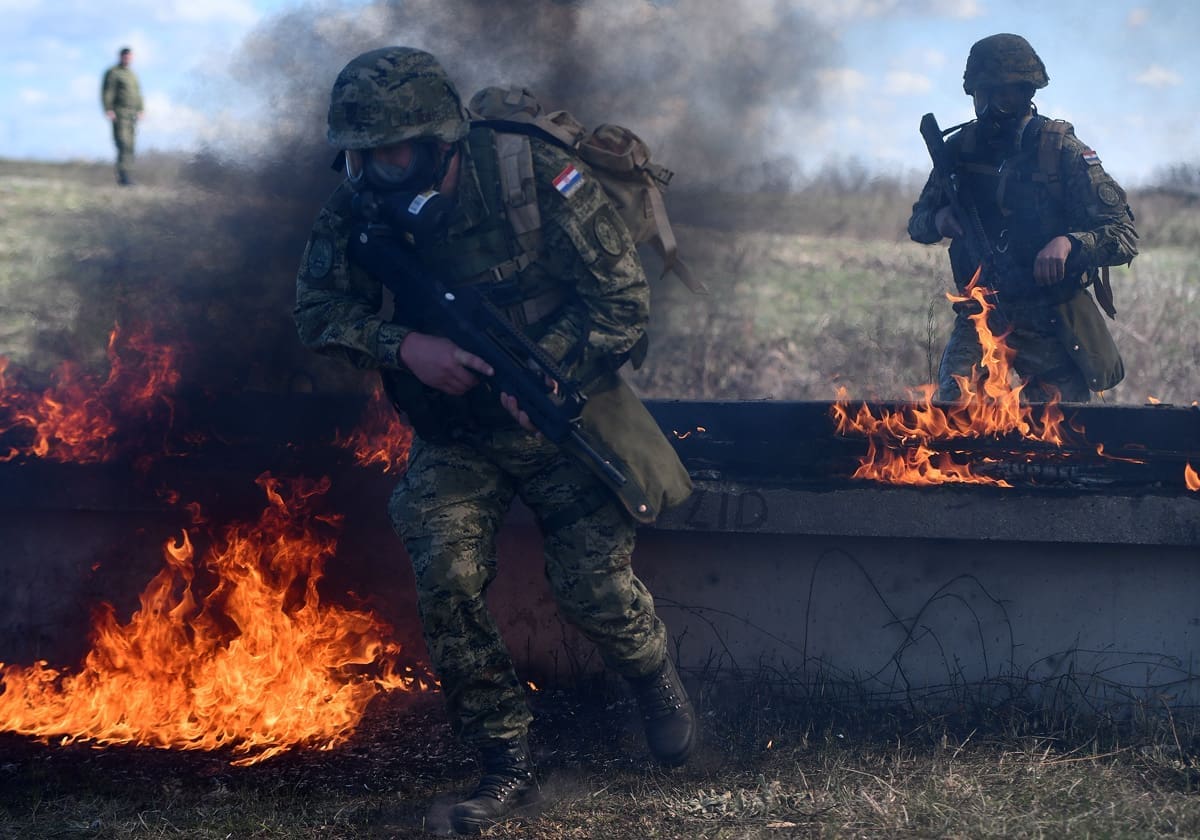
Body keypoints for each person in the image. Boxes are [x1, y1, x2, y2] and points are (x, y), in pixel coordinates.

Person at [294, 47, 695, 834]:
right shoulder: (360, 203)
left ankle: (656, 682)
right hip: (455, 433)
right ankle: (503, 760)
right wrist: (405, 347)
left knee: (594, 590)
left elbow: (622, 301)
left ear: (442, 141)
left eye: (395, 152)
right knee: (445, 573)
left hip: (562, 414)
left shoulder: (531, 176)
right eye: (361, 154)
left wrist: (549, 376)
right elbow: (317, 313)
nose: (376, 169)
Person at [908, 33, 1138, 403]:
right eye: (987, 94)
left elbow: (1123, 233)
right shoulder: (959, 150)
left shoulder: (1059, 150)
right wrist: (939, 221)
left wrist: (1069, 244)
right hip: (980, 311)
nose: (994, 105)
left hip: (1048, 317)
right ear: (974, 94)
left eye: (1006, 93)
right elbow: (918, 222)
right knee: (951, 419)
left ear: (1027, 92)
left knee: (1063, 433)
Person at [101, 47, 143, 186]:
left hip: (132, 115)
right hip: (120, 113)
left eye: (130, 57)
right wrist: (108, 109)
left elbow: (138, 93)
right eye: (126, 56)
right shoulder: (114, 72)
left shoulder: (132, 74)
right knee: (123, 143)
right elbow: (108, 91)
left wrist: (141, 109)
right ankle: (123, 176)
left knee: (131, 145)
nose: (128, 59)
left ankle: (128, 175)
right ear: (121, 57)